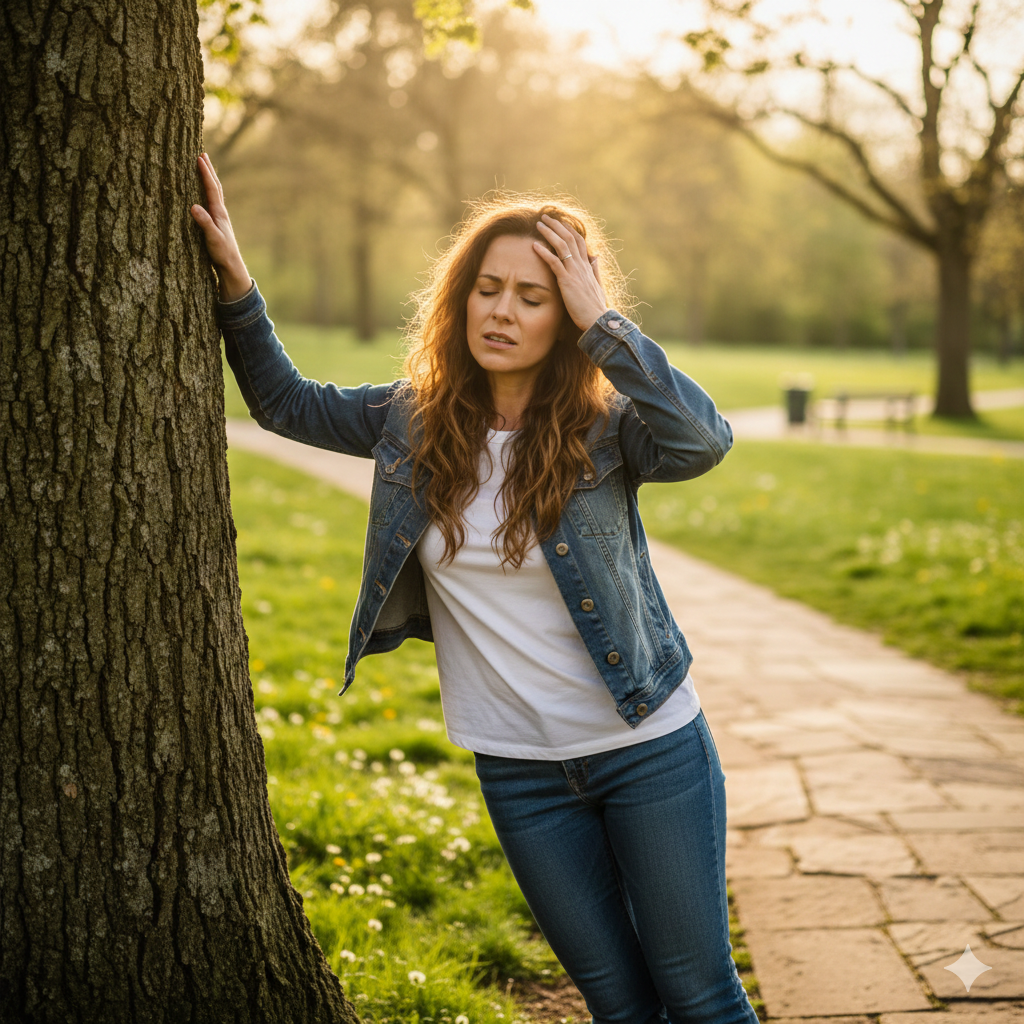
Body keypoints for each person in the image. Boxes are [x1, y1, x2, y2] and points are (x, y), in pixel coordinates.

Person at [191, 152, 757, 1024]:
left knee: (701, 997)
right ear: (461, 299)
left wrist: (604, 323)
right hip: (520, 772)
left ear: (565, 316)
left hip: (648, 750)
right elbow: (286, 404)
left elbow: (703, 441)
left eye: (533, 297)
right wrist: (235, 281)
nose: (501, 311)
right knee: (618, 1005)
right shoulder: (411, 421)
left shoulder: (606, 430)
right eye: (488, 289)